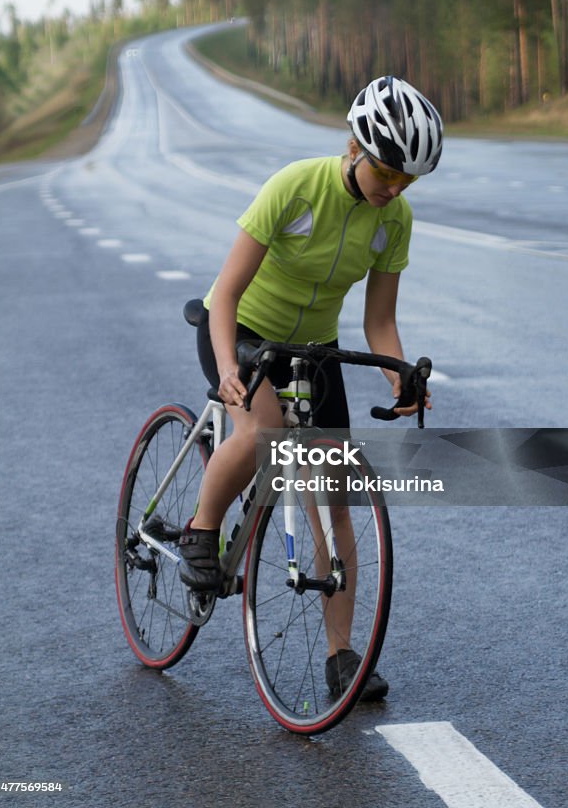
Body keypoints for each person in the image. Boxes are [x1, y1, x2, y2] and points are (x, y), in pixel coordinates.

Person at [181, 75, 443, 699]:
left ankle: (342, 656)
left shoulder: (393, 221)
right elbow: (227, 294)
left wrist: (400, 375)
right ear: (355, 146)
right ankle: (201, 529)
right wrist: (227, 369)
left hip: (313, 350)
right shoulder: (295, 187)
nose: (394, 189)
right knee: (266, 434)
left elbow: (379, 322)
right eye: (387, 172)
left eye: (407, 180)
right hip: (241, 330)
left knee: (337, 491)